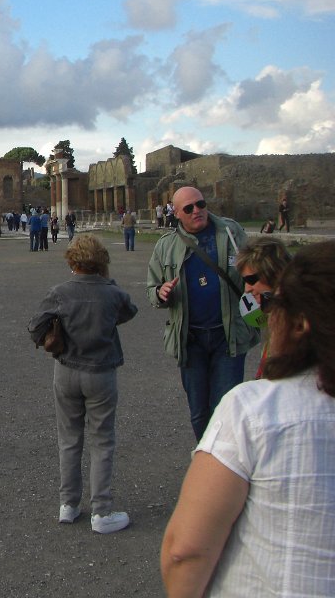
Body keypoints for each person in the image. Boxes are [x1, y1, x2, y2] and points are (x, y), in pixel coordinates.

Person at [160, 240, 335, 597]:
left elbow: (185, 552)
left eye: (274, 302)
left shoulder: (252, 410)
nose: (253, 294)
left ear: (300, 321)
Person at [28, 235, 138, 534]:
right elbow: (129, 312)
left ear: (72, 260)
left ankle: (68, 503)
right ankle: (101, 510)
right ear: (101, 261)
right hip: (101, 372)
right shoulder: (113, 293)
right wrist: (107, 282)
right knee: (102, 441)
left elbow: (35, 326)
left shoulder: (60, 292)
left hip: (66, 369)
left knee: (69, 439)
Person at [146, 187, 259, 441]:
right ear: (176, 213)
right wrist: (161, 293)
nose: (197, 210)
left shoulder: (231, 232)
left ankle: (222, 459)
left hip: (228, 336)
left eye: (201, 204)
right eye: (189, 208)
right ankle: (205, 454)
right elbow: (151, 289)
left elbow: (255, 271)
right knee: (199, 411)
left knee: (225, 407)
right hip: (190, 340)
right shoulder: (166, 246)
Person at [234, 236, 292, 379]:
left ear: (275, 273)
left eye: (251, 280)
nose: (247, 289)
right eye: (244, 281)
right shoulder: (275, 313)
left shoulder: (299, 319)